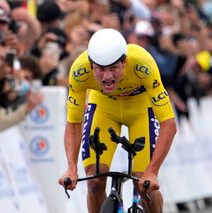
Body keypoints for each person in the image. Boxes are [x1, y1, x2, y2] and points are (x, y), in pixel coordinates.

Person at [58, 28, 177, 213]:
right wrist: (71, 167)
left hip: (140, 108)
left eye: (113, 68)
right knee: (95, 181)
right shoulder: (79, 71)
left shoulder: (142, 64)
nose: (107, 76)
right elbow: (74, 122)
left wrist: (152, 171)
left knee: (143, 184)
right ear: (91, 66)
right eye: (100, 69)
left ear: (124, 62)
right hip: (104, 107)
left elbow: (169, 124)